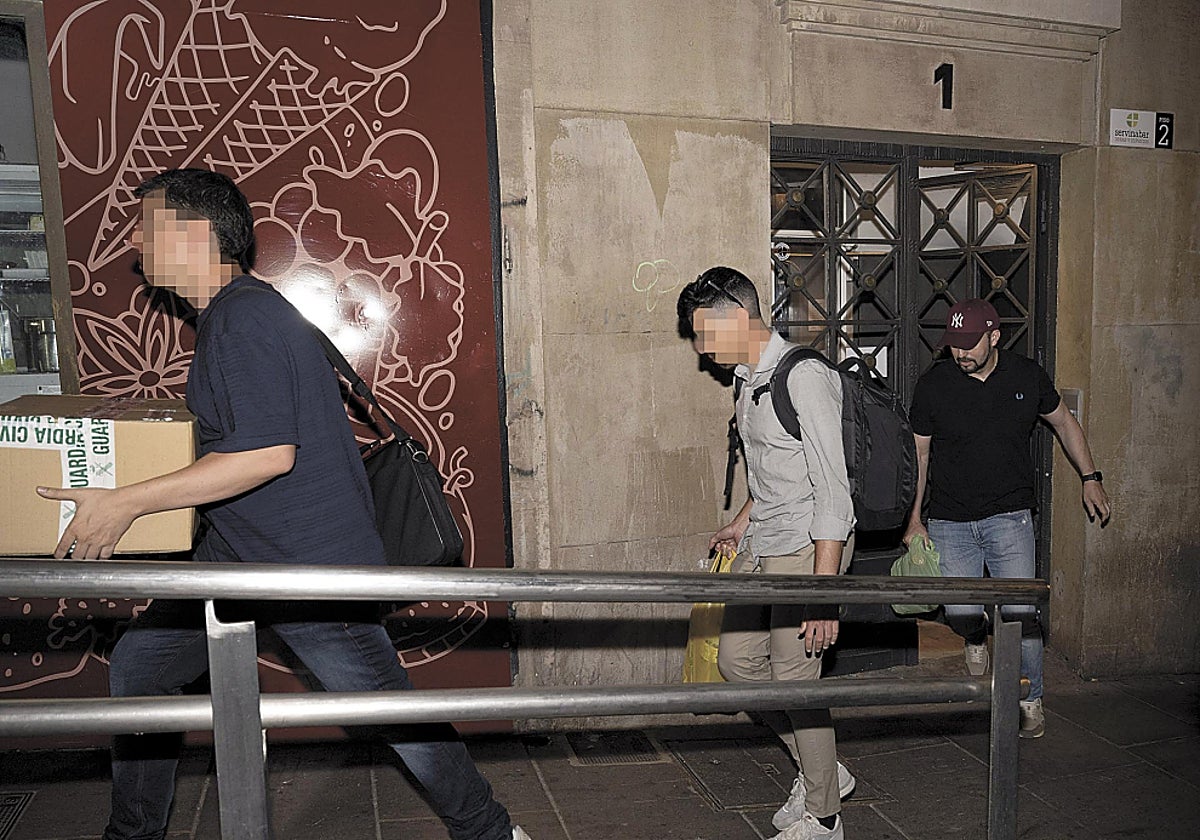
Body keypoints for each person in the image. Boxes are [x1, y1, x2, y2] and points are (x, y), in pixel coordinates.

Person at [37, 168, 531, 840]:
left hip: (304, 569)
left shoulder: (242, 317)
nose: (132, 242)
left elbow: (268, 454)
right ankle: (133, 833)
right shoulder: (234, 315)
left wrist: (125, 503)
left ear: (192, 233)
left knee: (392, 713)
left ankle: (490, 832)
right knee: (142, 664)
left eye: (144, 226)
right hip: (238, 559)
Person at [677, 267, 857, 840]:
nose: (702, 349)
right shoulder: (746, 379)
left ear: (737, 315)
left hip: (810, 548)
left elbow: (833, 491)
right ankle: (823, 769)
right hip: (766, 540)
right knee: (737, 663)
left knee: (794, 676)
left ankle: (825, 818)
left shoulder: (802, 376)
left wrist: (821, 598)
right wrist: (739, 523)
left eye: (705, 333)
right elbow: (772, 473)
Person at [904, 298, 1111, 739]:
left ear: (994, 336)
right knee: (961, 611)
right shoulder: (934, 384)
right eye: (954, 344)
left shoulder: (1025, 375)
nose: (960, 353)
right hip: (950, 520)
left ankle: (1030, 697)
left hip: (1010, 517)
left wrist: (1090, 477)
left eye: (969, 344)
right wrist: (914, 518)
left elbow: (1065, 424)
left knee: (1020, 613)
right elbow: (919, 454)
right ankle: (976, 636)